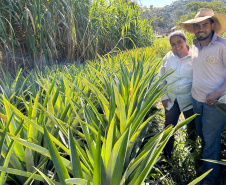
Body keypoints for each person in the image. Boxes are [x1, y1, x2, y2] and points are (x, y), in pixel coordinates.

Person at [180, 8, 226, 185]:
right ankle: (211, 166)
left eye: (204, 25)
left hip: (215, 104)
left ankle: (209, 180)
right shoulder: (195, 45)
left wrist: (216, 92)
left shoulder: (222, 45)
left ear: (212, 25)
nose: (200, 29)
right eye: (197, 25)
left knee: (211, 140)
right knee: (203, 135)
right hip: (196, 99)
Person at [159, 30, 196, 159]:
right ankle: (167, 155)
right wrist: (163, 96)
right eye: (173, 44)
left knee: (192, 126)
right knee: (169, 127)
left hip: (189, 99)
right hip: (172, 99)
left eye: (179, 42)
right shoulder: (168, 57)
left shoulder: (195, 57)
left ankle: (192, 152)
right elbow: (161, 77)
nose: (176, 46)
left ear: (185, 41)